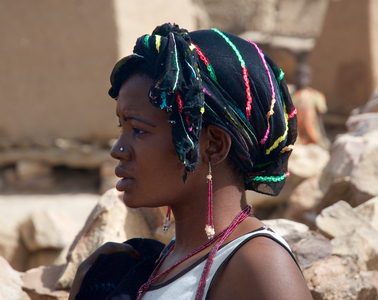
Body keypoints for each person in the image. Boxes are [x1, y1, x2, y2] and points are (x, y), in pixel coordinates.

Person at [69, 23, 313, 300]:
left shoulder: (258, 265)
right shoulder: (149, 264)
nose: (118, 149)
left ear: (213, 146)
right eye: (120, 127)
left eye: (138, 129)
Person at [292, 64, 328, 148]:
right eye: (299, 75)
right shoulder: (291, 97)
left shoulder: (315, 96)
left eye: (305, 76)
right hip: (297, 137)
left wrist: (323, 136)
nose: (302, 79)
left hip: (313, 134)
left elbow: (319, 118)